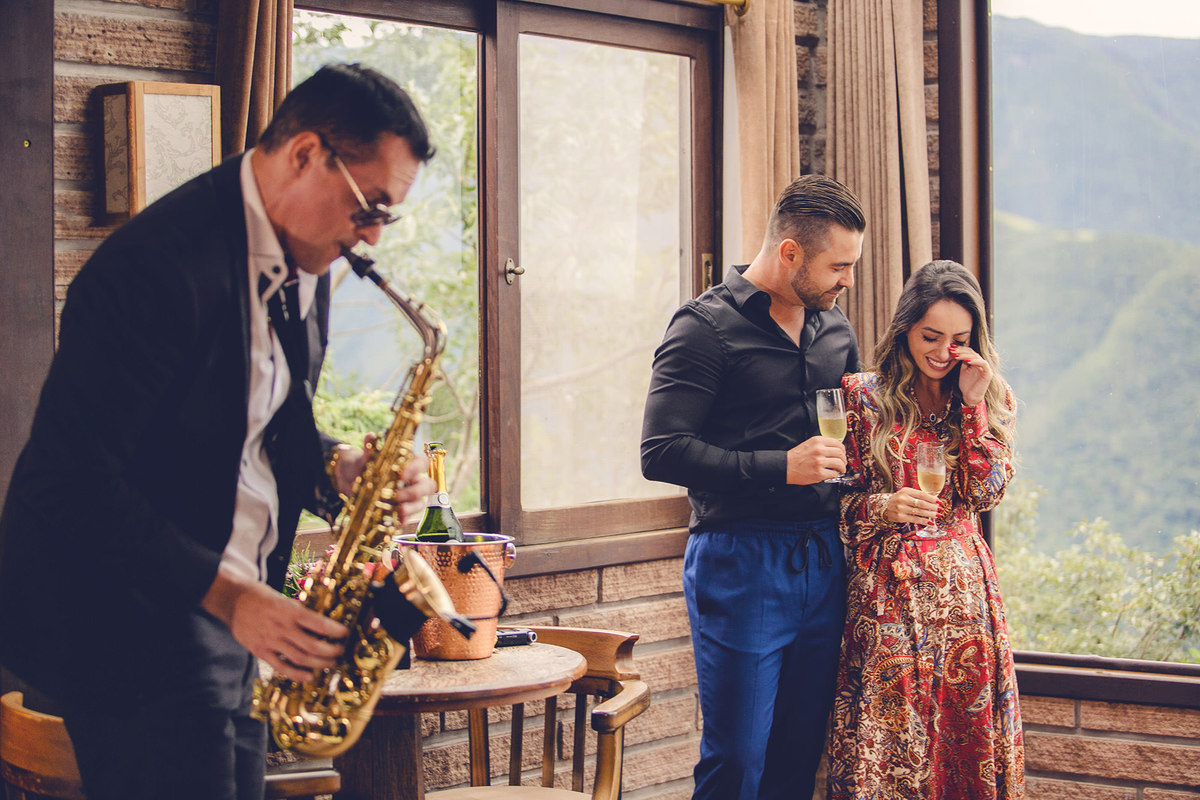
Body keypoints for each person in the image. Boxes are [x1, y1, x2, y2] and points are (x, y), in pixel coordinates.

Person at [0, 64, 438, 800]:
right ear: (305, 154)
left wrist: (340, 470)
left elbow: (269, 427)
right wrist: (231, 598)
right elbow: (67, 483)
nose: (372, 237)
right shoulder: (153, 269)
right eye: (371, 208)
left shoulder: (307, 264)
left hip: (230, 624)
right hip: (132, 632)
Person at [641, 174, 867, 799]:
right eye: (837, 266)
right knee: (738, 758)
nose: (846, 280)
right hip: (739, 559)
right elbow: (660, 452)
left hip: (824, 557)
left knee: (798, 756)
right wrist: (779, 466)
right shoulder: (702, 329)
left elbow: (855, 434)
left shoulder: (835, 330)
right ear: (790, 251)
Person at [826, 259, 1024, 799]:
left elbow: (987, 493)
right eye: (929, 336)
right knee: (890, 747)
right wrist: (882, 507)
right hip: (889, 599)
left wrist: (975, 405)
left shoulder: (986, 396)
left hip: (966, 604)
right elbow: (829, 504)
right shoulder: (862, 398)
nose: (941, 351)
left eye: (957, 340)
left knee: (966, 745)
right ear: (905, 329)